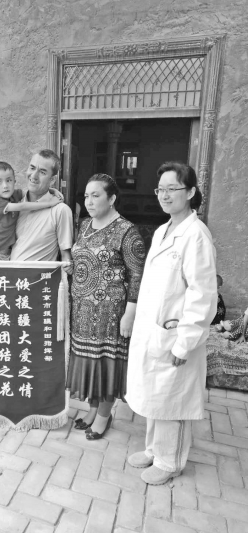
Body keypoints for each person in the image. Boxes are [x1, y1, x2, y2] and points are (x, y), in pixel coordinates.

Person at [126, 161, 217, 485]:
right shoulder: (164, 230)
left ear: (190, 192)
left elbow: (202, 294)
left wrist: (185, 342)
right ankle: (154, 450)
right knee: (156, 395)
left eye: (172, 189)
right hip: (155, 330)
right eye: (160, 189)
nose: (164, 195)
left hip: (177, 335)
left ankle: (170, 461)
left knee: (171, 400)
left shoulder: (196, 236)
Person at [66, 174, 145, 439]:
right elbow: (82, 258)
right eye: (86, 196)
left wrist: (130, 313)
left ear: (111, 199)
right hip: (82, 310)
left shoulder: (127, 231)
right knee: (89, 362)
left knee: (105, 363)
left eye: (96, 195)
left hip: (110, 313)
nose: (89, 201)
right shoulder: (84, 225)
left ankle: (103, 416)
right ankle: (92, 411)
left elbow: (137, 275)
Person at [0, 161, 63, 260]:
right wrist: (49, 203)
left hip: (8, 253)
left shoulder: (14, 195)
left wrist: (52, 190)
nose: (5, 185)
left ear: (14, 181)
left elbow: (32, 192)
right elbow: (22, 206)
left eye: (9, 180)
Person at [10, 149, 73, 263]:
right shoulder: (15, 203)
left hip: (40, 275)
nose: (34, 176)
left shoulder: (60, 211)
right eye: (32, 168)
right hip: (7, 273)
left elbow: (66, 257)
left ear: (52, 180)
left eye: (42, 172)